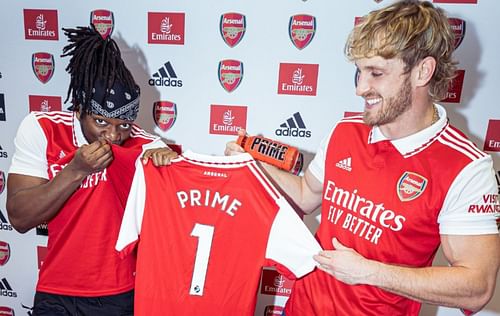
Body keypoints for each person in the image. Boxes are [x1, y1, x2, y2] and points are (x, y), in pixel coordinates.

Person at [226, 1, 499, 315]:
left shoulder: (466, 167)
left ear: (423, 71)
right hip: (300, 308)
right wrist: (252, 165)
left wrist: (369, 272)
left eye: (376, 73)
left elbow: (477, 287)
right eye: (359, 71)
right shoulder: (346, 131)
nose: (360, 88)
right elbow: (305, 194)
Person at [6, 25, 176, 315]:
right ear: (80, 107)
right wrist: (76, 170)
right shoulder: (43, 129)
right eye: (100, 122)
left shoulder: (146, 147)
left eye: (123, 125)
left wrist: (166, 165)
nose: (112, 136)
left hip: (120, 296)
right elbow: (20, 218)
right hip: (56, 291)